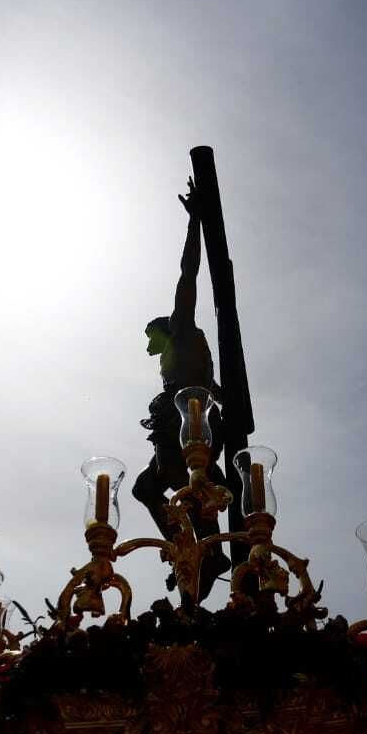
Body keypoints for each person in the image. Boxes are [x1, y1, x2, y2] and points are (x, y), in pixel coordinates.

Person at [132, 179, 230, 599]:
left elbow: (188, 272)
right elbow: (216, 387)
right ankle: (188, 547)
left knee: (175, 482)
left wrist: (194, 222)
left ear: (165, 328)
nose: (148, 342)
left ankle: (203, 549)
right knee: (149, 487)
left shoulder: (184, 331)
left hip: (187, 421)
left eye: (150, 333)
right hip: (183, 416)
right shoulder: (177, 359)